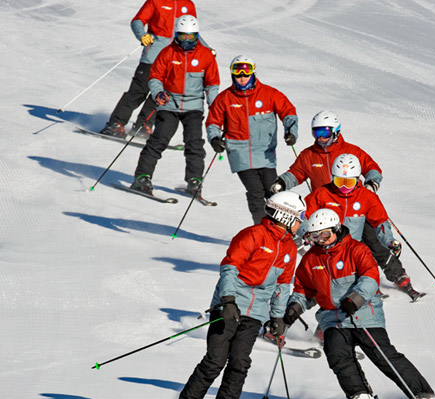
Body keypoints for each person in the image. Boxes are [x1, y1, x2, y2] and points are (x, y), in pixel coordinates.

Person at [172, 191, 306, 399]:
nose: (301, 223)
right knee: (215, 361)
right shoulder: (252, 235)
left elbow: (283, 285)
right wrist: (228, 300)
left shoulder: (289, 248)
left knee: (240, 362)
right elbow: (229, 268)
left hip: (255, 314)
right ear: (285, 216)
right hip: (229, 307)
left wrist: (276, 317)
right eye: (298, 217)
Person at [282, 208, 435, 399]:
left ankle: (421, 393)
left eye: (325, 234)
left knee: (381, 355)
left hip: (363, 314)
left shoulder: (356, 249)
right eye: (315, 236)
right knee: (337, 354)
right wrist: (294, 308)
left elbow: (370, 277)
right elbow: (304, 291)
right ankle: (361, 395)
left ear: (336, 229)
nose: (321, 240)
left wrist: (355, 299)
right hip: (333, 319)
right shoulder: (311, 260)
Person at [271, 111, 410, 291]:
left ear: (336, 131)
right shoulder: (309, 155)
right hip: (327, 209)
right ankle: (353, 283)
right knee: (338, 250)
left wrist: (371, 183)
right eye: (316, 133)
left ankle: (397, 274)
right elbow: (296, 174)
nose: (320, 138)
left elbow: (372, 167)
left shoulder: (351, 151)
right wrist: (282, 182)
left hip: (356, 205)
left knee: (374, 242)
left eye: (325, 133)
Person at [304, 153, 423, 300]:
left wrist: (389, 241)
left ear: (357, 180)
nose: (343, 187)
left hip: (353, 241)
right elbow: (304, 215)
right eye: (339, 181)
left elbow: (380, 222)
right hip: (328, 243)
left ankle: (398, 275)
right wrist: (307, 233)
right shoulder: (322, 193)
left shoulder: (366, 196)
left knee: (369, 252)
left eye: (348, 183)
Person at [129, 15, 219, 196]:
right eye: (183, 36)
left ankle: (194, 181)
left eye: (191, 37)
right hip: (169, 105)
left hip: (193, 107)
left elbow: (212, 84)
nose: (187, 41)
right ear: (177, 34)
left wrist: (215, 107)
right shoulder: (167, 53)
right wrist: (158, 93)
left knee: (194, 144)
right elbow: (155, 77)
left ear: (197, 36)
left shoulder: (205, 55)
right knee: (158, 140)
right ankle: (142, 177)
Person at [206, 55, 298, 224]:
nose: (242, 77)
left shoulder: (269, 94)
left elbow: (289, 112)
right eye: (238, 73)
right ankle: (261, 228)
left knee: (274, 192)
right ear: (233, 74)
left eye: (246, 72)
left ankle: (285, 229)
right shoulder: (225, 98)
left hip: (265, 153)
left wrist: (291, 131)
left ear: (253, 72)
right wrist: (214, 139)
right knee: (255, 191)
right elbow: (213, 122)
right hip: (239, 152)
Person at [100, 0, 208, 140]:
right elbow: (137, 21)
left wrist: (207, 49)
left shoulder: (188, 5)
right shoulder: (155, 1)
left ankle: (143, 126)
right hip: (152, 56)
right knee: (138, 92)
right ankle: (115, 123)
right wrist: (142, 35)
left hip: (174, 60)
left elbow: (191, 33)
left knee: (159, 96)